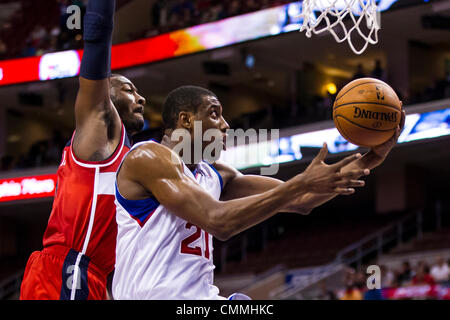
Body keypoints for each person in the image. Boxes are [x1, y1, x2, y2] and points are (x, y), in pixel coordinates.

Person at [112, 85, 405, 299]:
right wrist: (301, 182)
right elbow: (218, 221)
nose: (225, 125)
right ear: (185, 120)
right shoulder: (148, 157)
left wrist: (372, 158)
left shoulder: (216, 174)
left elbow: (302, 200)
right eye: (214, 115)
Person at [20, 0, 147, 300]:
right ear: (106, 93)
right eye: (129, 89)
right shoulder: (97, 120)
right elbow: (98, 37)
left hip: (92, 275)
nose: (141, 99)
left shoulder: (132, 155)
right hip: (66, 268)